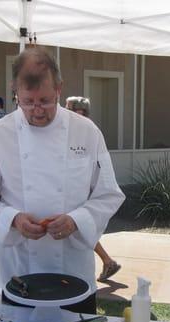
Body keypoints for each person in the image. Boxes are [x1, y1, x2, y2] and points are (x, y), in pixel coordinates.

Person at [0, 47, 125, 314]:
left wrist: (76, 220)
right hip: (20, 271)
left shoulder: (86, 132)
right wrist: (14, 219)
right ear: (15, 91)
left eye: (44, 101)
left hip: (73, 268)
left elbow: (108, 194)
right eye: (27, 102)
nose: (37, 111)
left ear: (59, 89)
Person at [65, 95, 122, 282]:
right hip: (78, 192)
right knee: (82, 228)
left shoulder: (87, 131)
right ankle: (108, 261)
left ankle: (107, 261)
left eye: (67, 108)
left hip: (84, 192)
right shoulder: (69, 129)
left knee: (81, 227)